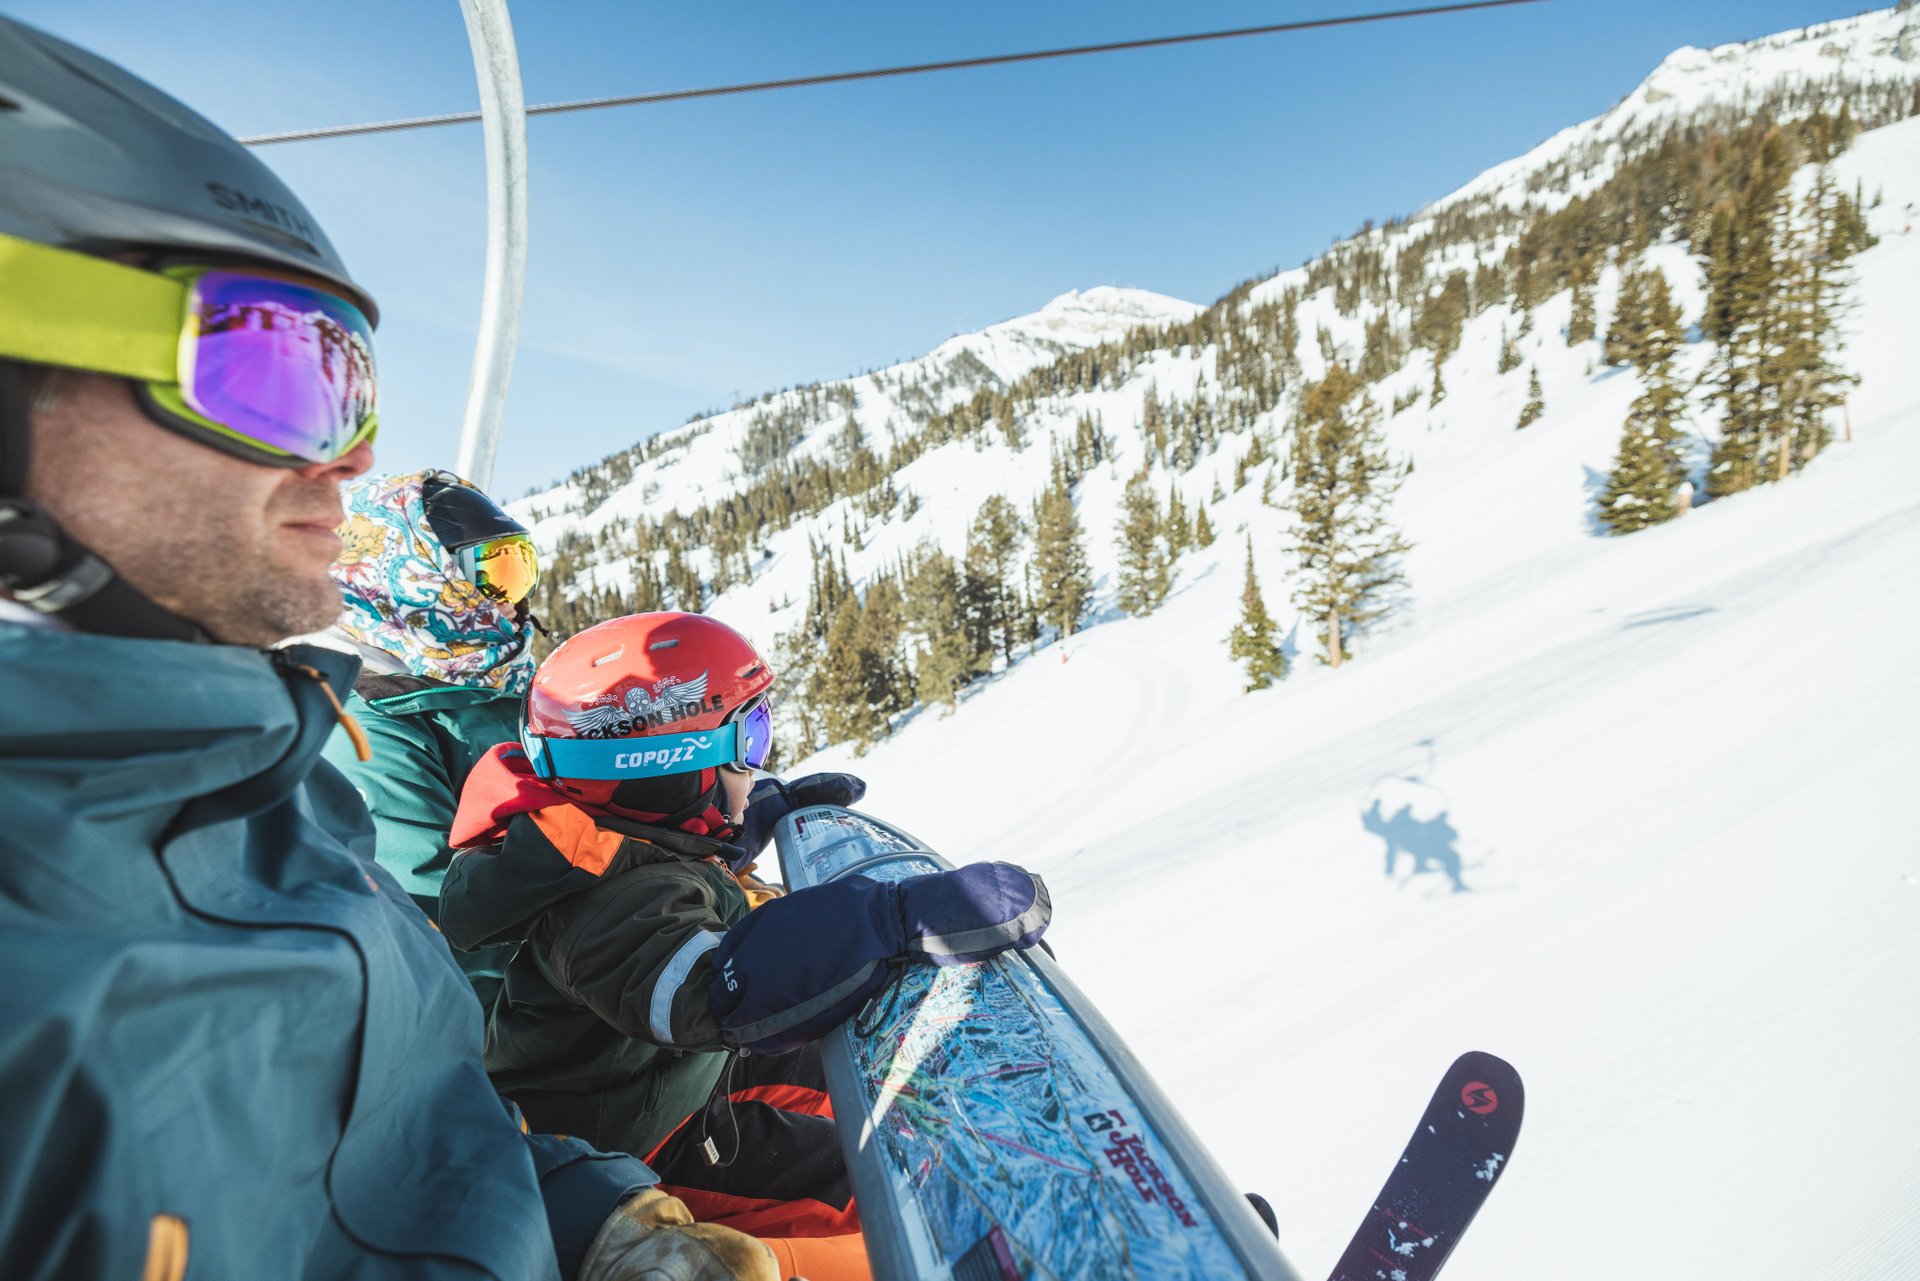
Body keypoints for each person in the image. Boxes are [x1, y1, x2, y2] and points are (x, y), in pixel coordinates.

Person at [0, 16, 776, 1279]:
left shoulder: (283, 790)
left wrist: (589, 1225)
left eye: (352, 384)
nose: (350, 456)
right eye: (270, 364)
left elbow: (416, 1125)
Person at [439, 611, 1052, 1277]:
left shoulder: (611, 843)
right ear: (668, 767)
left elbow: (664, 871)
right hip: (633, 1141)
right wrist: (893, 917)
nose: (758, 765)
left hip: (671, 1076)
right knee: (863, 1198)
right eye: (749, 740)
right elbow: (718, 988)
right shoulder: (599, 901)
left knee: (841, 1072)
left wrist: (735, 832)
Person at [312, 467, 541, 1008]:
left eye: (519, 570)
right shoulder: (363, 728)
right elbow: (443, 926)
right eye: (493, 576)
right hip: (504, 1035)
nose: (511, 603)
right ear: (403, 582)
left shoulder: (489, 680)